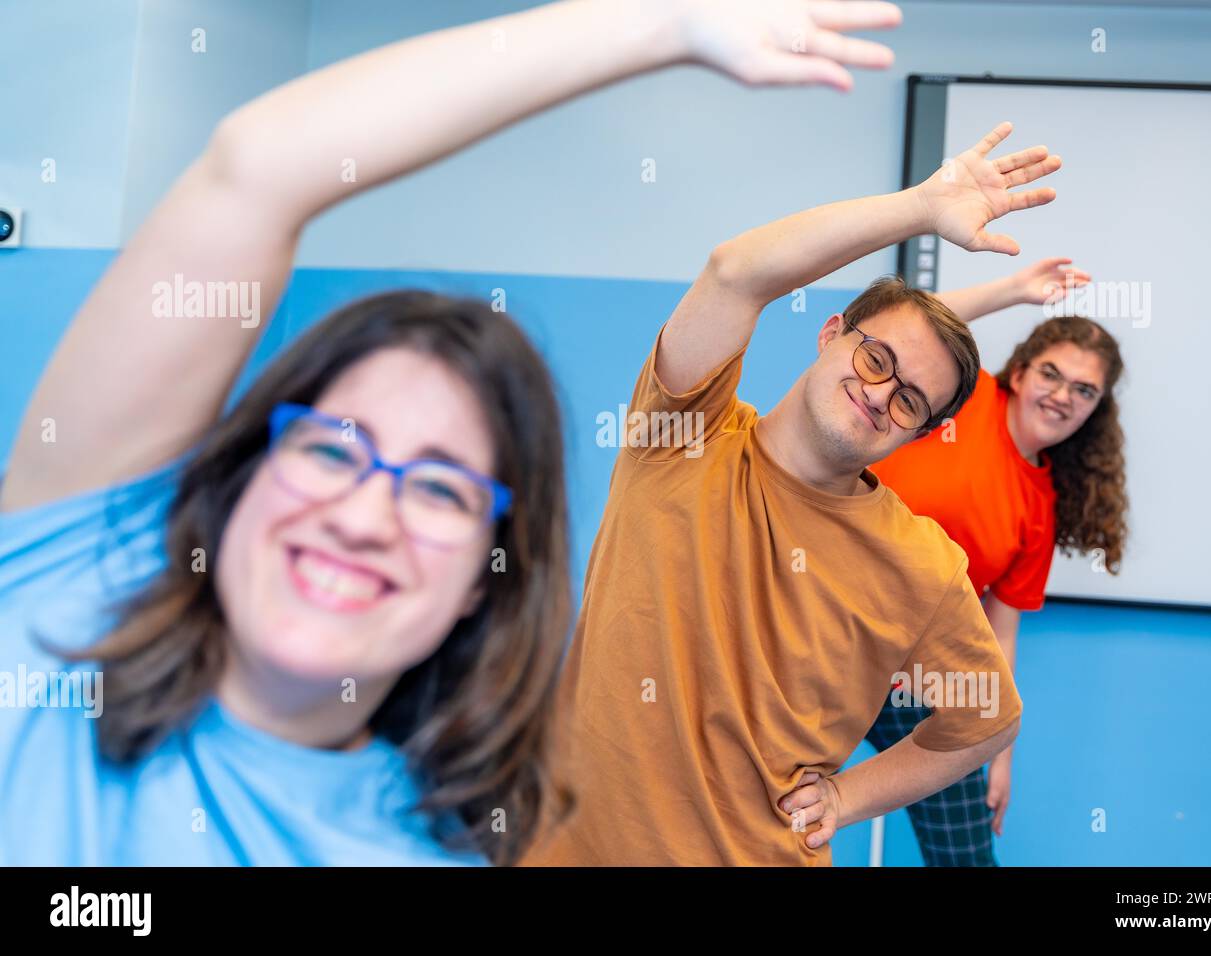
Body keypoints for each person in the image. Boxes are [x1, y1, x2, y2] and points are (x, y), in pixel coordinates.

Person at [0, 0, 904, 866]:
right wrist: (662, 23)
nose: (363, 515)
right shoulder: (73, 579)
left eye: (439, 491)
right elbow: (257, 165)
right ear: (243, 478)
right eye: (330, 449)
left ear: (484, 578)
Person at [520, 122, 1060, 866]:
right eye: (875, 358)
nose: (880, 395)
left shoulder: (920, 565)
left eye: (910, 401)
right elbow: (736, 270)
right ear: (831, 333)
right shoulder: (682, 433)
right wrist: (922, 206)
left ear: (919, 432)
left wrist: (847, 797)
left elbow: (989, 720)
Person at [865, 258, 1129, 865]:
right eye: (1051, 374)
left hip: (911, 681)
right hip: (819, 639)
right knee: (759, 813)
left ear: (1097, 408)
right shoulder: (969, 394)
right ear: (1020, 371)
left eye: (1083, 390)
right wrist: (1014, 290)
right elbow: (910, 329)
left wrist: (996, 752)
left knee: (968, 854)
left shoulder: (1042, 505)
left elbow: (997, 630)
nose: (1062, 396)